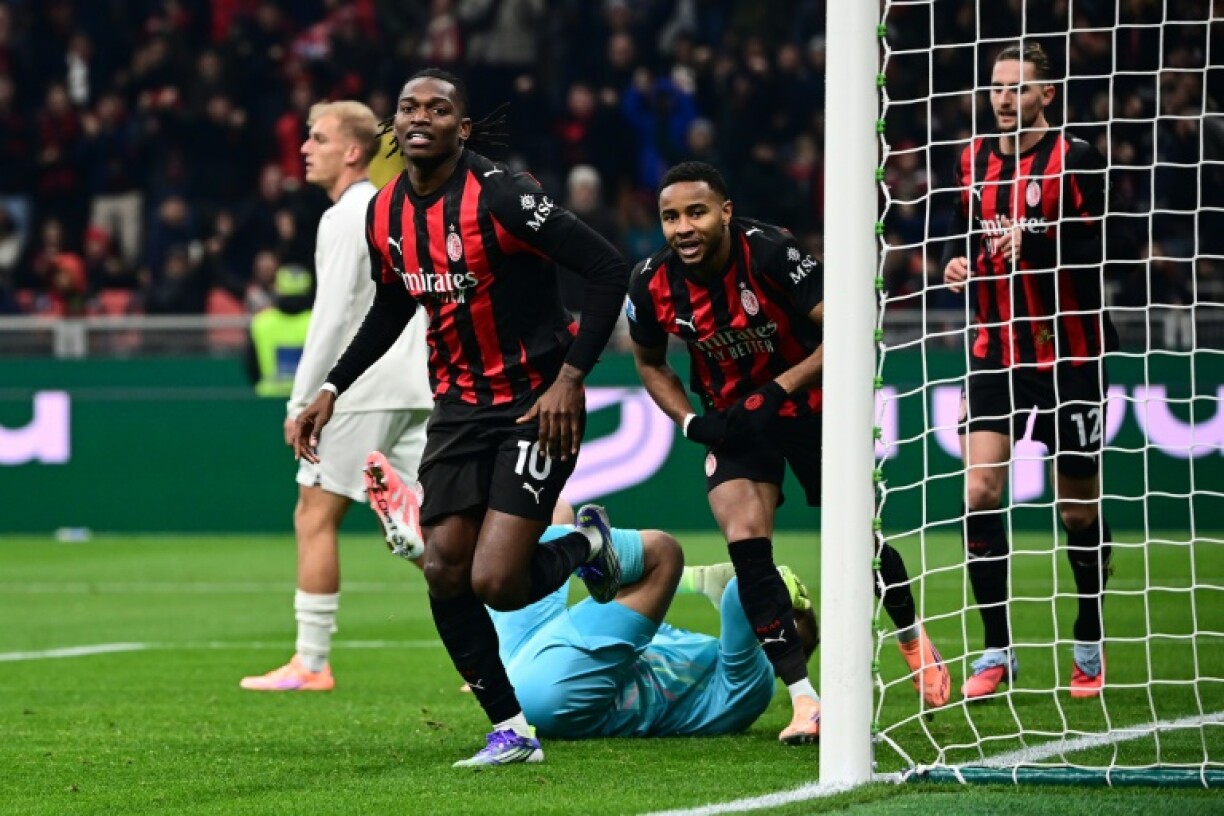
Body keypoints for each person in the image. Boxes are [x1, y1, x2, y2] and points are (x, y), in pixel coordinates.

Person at [292, 69, 631, 767]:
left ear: (462, 128)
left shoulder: (503, 196)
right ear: (394, 126)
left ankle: (589, 546)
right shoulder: (383, 212)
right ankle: (511, 729)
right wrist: (331, 387)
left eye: (439, 108)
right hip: (458, 408)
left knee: (497, 582)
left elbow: (607, 268)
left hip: (537, 403)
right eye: (409, 105)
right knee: (444, 567)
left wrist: (571, 379)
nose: (421, 116)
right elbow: (391, 305)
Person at [626, 161, 950, 744]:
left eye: (696, 212)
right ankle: (805, 701)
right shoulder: (650, 282)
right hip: (734, 422)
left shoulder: (772, 253)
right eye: (671, 217)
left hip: (814, 408)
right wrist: (689, 420)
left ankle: (910, 637)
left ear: (725, 212)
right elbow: (649, 362)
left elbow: (847, 329)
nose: (683, 228)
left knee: (856, 536)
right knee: (748, 551)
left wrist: (778, 390)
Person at [364, 455, 819, 741]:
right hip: (532, 667)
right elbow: (630, 611)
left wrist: (785, 588)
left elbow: (745, 591)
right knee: (553, 512)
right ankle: (431, 553)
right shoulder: (711, 657)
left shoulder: (754, 683)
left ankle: (586, 546)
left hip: (570, 696)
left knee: (663, 553)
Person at [239, 100, 433, 693]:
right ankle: (509, 636)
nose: (305, 148)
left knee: (314, 516)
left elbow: (333, 316)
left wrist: (303, 399)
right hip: (415, 384)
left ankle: (311, 662)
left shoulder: (346, 215)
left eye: (317, 138)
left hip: (362, 389)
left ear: (353, 151)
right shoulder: (394, 206)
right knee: (426, 524)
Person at [942, 43, 1116, 700]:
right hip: (994, 348)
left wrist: (1039, 239)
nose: (1005, 98)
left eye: (1018, 88)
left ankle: (1089, 637)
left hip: (1071, 353)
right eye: (997, 87)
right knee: (981, 489)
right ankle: (996, 651)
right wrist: (956, 265)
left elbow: (1111, 245)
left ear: (1047, 95)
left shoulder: (1077, 159)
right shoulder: (970, 160)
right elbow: (965, 235)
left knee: (1076, 511)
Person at [244, 264, 313, 398]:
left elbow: (251, 364)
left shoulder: (260, 322)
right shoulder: (318, 322)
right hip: (308, 399)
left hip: (268, 399)